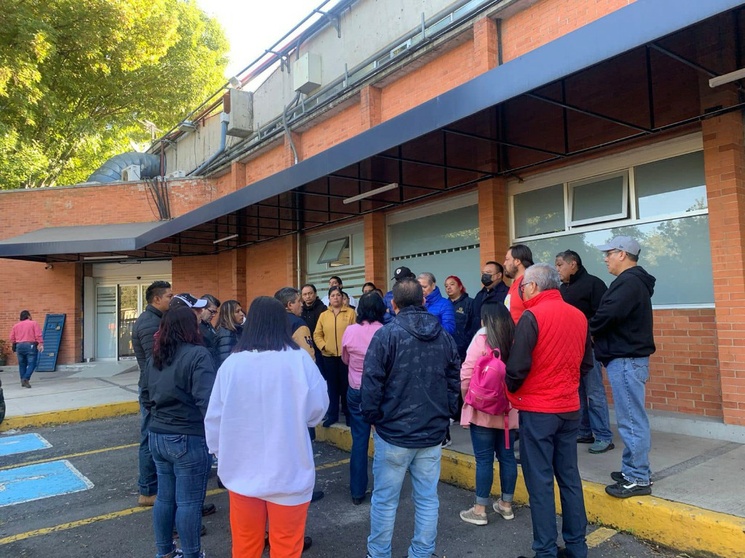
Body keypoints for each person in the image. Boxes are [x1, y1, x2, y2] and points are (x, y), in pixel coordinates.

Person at [205, 297, 328, 558]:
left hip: (242, 472)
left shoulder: (232, 365)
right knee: (287, 547)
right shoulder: (299, 361)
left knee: (246, 545)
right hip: (289, 472)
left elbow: (214, 416)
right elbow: (317, 411)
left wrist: (218, 451)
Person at [361, 279, 460, 558]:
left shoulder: (386, 335)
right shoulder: (444, 336)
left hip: (393, 433)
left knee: (385, 501)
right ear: (424, 301)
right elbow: (454, 379)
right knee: (427, 499)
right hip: (430, 432)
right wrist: (448, 414)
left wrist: (372, 417)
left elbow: (371, 382)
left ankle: (379, 553)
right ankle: (422, 552)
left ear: (393, 305)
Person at [505, 264, 593, 558]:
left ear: (533, 286)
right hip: (569, 408)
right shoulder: (579, 316)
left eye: (523, 287)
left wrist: (512, 390)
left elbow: (517, 367)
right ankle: (577, 546)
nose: (521, 291)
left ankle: (545, 550)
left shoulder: (533, 316)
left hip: (538, 409)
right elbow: (586, 364)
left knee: (540, 482)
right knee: (569, 477)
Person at [140, 307, 217, 558]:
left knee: (165, 498)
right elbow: (206, 401)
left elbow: (145, 396)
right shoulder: (198, 354)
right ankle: (192, 554)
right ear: (189, 327)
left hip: (158, 434)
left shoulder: (155, 356)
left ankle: (165, 552)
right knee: (189, 503)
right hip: (187, 435)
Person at [590, 236, 656, 499]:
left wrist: (588, 329)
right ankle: (634, 469)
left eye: (609, 253)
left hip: (627, 361)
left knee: (631, 421)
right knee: (631, 419)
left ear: (623, 254)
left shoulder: (628, 283)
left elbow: (607, 315)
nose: (605, 258)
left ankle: (638, 478)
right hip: (627, 360)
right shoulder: (631, 282)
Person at [458, 302, 519, 526]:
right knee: (507, 457)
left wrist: (468, 399)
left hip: (482, 411)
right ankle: (506, 505)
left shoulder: (481, 338)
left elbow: (466, 372)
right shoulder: (515, 339)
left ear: (485, 320)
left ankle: (480, 510)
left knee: (484, 460)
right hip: (508, 412)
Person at [555, 250, 614, 454]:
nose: (558, 269)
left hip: (590, 349)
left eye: (560, 264)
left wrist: (589, 333)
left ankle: (604, 436)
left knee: (594, 391)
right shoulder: (562, 289)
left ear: (573, 264)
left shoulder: (594, 284)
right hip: (570, 351)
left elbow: (605, 315)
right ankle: (584, 430)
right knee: (577, 392)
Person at [341, 293, 386, 505]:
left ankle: (357, 492)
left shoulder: (350, 330)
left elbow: (345, 359)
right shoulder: (385, 331)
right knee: (383, 440)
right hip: (380, 390)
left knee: (359, 441)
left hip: (356, 389)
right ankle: (384, 489)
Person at [132, 280, 173, 507]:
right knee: (149, 436)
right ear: (156, 299)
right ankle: (147, 490)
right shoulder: (150, 323)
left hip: (153, 386)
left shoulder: (156, 320)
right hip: (152, 387)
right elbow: (153, 360)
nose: (171, 299)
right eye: (169, 296)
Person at [313, 286, 356, 427]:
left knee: (345, 386)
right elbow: (317, 334)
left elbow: (354, 332)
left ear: (342, 298)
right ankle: (332, 415)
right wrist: (324, 346)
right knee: (332, 387)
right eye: (333, 295)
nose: (336, 297)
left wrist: (349, 349)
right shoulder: (324, 315)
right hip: (328, 356)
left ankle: (348, 415)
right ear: (329, 298)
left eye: (338, 295)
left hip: (345, 357)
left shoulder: (350, 313)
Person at [275, 287, 315, 360]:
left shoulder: (271, 322)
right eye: (299, 301)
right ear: (290, 305)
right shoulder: (298, 324)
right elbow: (308, 356)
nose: (302, 304)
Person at [471, 261, 509, 333]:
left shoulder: (507, 293)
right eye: (483, 273)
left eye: (488, 273)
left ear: (499, 275)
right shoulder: (480, 295)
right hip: (479, 338)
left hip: (498, 338)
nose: (485, 275)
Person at [444, 275, 474, 362]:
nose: (448, 287)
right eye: (446, 286)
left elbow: (474, 326)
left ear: (460, 287)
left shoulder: (470, 303)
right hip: (448, 350)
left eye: (452, 284)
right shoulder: (444, 305)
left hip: (465, 350)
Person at [9, 310, 43, 388]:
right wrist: (40, 343)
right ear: (28, 316)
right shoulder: (34, 323)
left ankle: (23, 380)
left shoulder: (16, 326)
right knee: (32, 363)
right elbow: (38, 334)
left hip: (19, 345)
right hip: (30, 345)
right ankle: (26, 378)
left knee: (22, 364)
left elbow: (12, 338)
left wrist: (16, 343)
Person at [503, 245, 534, 324]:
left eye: (507, 259)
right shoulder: (516, 283)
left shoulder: (528, 284)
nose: (504, 263)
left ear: (517, 261)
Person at [301, 283, 327, 364]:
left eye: (310, 293)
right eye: (305, 294)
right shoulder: (300, 310)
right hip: (305, 347)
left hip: (320, 349)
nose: (308, 296)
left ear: (315, 294)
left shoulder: (323, 308)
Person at [215, 300, 245, 366]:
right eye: (237, 311)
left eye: (241, 310)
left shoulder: (236, 330)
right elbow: (225, 358)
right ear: (229, 314)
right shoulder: (226, 333)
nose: (242, 314)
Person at [198, 294, 221, 367]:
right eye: (212, 311)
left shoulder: (208, 325)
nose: (213, 315)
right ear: (202, 309)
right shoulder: (195, 327)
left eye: (215, 312)